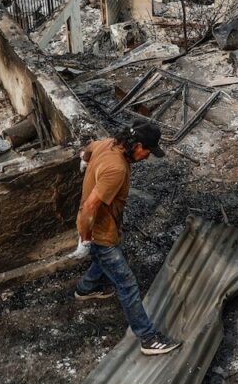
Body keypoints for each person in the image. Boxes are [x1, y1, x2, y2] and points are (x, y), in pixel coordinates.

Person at [74, 125, 182, 356]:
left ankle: (85, 289)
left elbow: (89, 147)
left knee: (104, 259)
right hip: (99, 232)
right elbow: (90, 206)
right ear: (139, 147)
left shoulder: (109, 143)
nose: (147, 157)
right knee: (127, 284)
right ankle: (148, 338)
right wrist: (85, 239)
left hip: (100, 227)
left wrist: (85, 160)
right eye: (149, 152)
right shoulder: (117, 168)